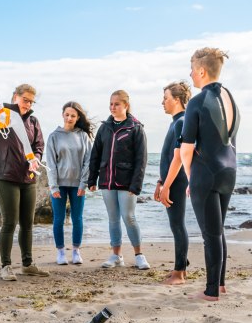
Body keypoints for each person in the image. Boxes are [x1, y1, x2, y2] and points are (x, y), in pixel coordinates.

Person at [170, 47, 239, 301]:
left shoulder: (198, 101)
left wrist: (191, 178)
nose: (190, 74)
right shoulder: (230, 97)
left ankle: (211, 292)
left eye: (191, 69)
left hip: (206, 173)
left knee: (210, 235)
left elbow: (186, 148)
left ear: (201, 70)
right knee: (218, 231)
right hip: (229, 170)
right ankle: (220, 285)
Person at [0, 84, 50, 281]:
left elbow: (39, 144)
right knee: (9, 223)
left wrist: (36, 159)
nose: (28, 104)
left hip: (28, 178)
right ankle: (5, 266)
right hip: (5, 177)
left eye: (32, 101)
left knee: (27, 224)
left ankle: (28, 264)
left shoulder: (33, 121)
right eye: (25, 100)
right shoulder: (2, 114)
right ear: (15, 97)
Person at [87, 90, 149, 270]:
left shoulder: (135, 128)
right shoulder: (105, 127)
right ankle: (116, 255)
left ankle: (139, 255)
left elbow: (141, 160)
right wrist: (92, 179)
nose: (113, 107)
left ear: (126, 106)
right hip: (107, 181)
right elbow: (95, 154)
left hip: (127, 183)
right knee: (113, 219)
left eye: (117, 104)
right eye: (111, 104)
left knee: (129, 217)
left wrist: (136, 184)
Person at [46, 102, 93, 265]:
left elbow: (88, 161)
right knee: (58, 219)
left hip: (77, 185)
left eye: (73, 115)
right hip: (59, 184)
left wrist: (83, 184)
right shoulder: (54, 136)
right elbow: (51, 164)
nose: (69, 118)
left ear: (78, 117)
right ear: (63, 115)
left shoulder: (83, 136)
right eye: (67, 114)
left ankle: (76, 251)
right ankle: (60, 252)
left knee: (77, 218)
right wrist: (53, 186)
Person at [153, 81, 191, 285]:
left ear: (177, 100)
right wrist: (160, 182)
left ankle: (180, 273)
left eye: (166, 98)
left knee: (177, 224)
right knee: (175, 224)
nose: (162, 102)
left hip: (177, 181)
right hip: (170, 180)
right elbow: (168, 157)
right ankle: (179, 268)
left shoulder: (182, 121)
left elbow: (178, 159)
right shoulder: (175, 121)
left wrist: (167, 185)